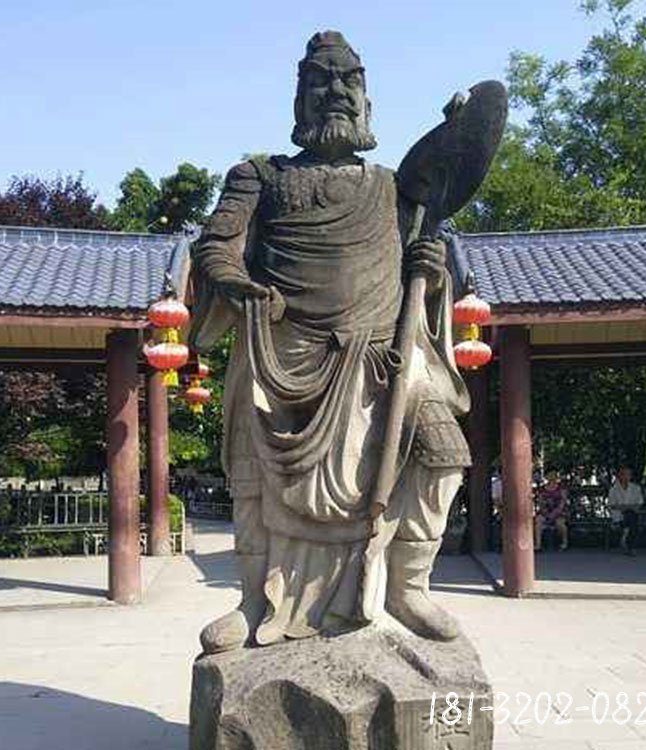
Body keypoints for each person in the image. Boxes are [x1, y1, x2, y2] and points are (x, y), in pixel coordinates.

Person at [189, 31, 482, 652]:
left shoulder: (395, 188)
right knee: (253, 475)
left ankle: (408, 585)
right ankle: (252, 600)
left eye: (350, 81)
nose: (336, 93)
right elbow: (215, 247)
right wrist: (239, 286)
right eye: (320, 82)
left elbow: (419, 270)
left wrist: (432, 272)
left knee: (443, 453)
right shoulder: (257, 176)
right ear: (299, 100)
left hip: (382, 356)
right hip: (283, 351)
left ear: (367, 101)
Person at [607, 466, 643, 555]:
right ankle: (630, 546)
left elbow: (639, 503)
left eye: (628, 474)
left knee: (631, 516)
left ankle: (628, 542)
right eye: (623, 474)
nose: (626, 477)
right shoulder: (613, 489)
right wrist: (626, 507)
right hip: (619, 514)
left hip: (632, 513)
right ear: (619, 476)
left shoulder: (636, 488)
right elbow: (612, 504)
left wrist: (626, 507)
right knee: (632, 518)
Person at [534, 470, 568, 551]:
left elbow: (562, 503)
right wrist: (545, 512)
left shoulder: (561, 488)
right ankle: (538, 544)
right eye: (549, 475)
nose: (552, 477)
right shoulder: (542, 489)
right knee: (538, 520)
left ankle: (564, 543)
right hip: (545, 512)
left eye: (553, 475)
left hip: (558, 512)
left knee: (560, 524)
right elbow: (540, 502)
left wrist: (555, 513)